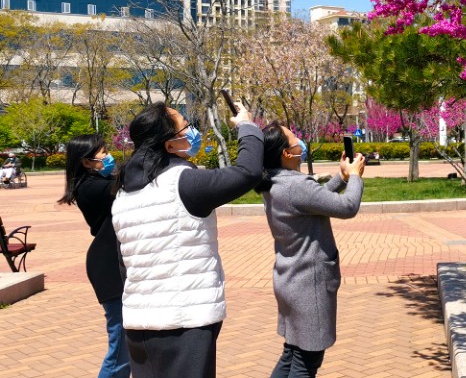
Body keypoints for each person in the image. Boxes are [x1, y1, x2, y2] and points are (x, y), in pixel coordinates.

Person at [111, 101, 264, 378]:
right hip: (185, 324)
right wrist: (247, 126)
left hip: (139, 322)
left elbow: (124, 264)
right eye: (185, 126)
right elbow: (248, 172)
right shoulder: (183, 182)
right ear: (168, 143)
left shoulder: (123, 194)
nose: (192, 131)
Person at [256, 121, 365, 378]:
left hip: (289, 279)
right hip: (309, 284)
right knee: (307, 360)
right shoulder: (296, 186)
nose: (300, 142)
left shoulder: (275, 182)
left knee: (292, 352)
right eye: (295, 139)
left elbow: (310, 200)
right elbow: (347, 207)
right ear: (286, 153)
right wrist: (356, 176)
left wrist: (341, 177)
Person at [57, 135, 130, 378]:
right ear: (87, 162)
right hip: (108, 267)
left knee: (128, 347)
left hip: (116, 261)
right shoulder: (90, 187)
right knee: (120, 350)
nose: (109, 156)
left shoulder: (100, 181)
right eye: (103, 152)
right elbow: (129, 184)